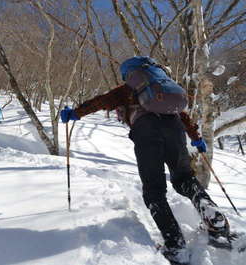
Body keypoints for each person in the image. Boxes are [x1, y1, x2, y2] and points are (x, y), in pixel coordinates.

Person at [60, 57, 230, 265]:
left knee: (154, 190)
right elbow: (183, 116)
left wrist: (75, 113)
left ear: (129, 73)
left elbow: (100, 101)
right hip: (175, 130)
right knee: (185, 179)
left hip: (147, 132)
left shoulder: (128, 90)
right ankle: (214, 220)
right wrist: (196, 139)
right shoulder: (163, 90)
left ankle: (176, 247)